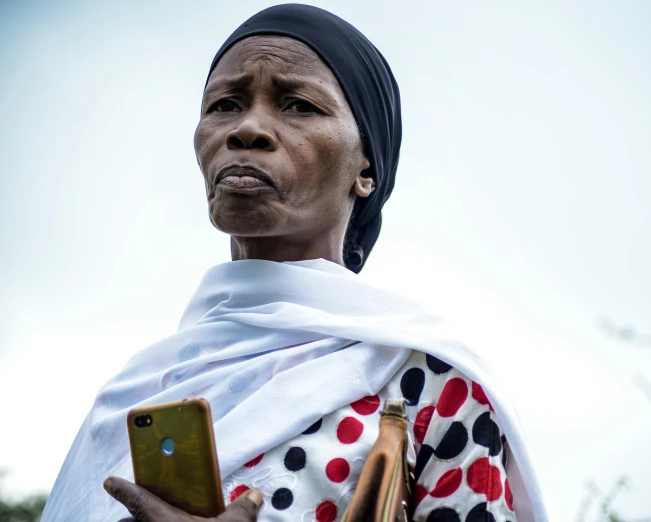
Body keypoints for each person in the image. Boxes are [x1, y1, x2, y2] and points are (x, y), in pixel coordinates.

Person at [41, 4, 548, 521]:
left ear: (366, 168)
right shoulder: (138, 392)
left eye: (299, 105)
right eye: (225, 104)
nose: (248, 129)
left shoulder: (426, 377)